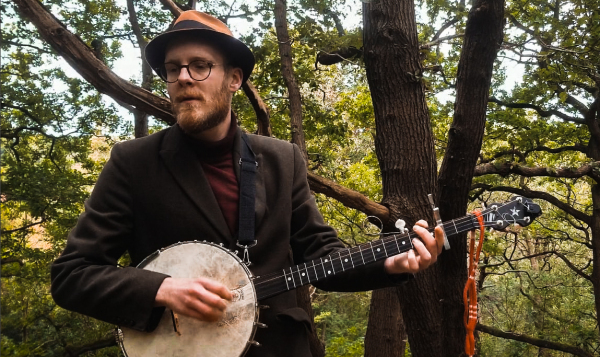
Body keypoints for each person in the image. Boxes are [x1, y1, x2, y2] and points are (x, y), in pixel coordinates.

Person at [51, 10, 445, 357]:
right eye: (174, 68)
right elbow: (72, 275)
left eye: (200, 65)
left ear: (234, 79)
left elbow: (321, 257)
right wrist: (161, 289)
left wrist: (390, 263)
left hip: (281, 349)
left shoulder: (281, 158)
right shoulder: (133, 162)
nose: (184, 78)